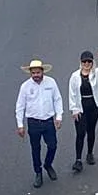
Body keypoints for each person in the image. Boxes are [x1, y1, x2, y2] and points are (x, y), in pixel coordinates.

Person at [14, 59, 63, 188]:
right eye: (33, 73)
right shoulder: (25, 86)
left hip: (48, 121)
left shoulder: (51, 83)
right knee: (35, 149)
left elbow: (57, 99)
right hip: (33, 122)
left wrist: (59, 116)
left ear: (42, 72)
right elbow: (20, 106)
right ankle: (38, 172)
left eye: (38, 72)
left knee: (52, 146)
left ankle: (48, 164)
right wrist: (20, 125)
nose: (36, 75)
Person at [69, 49, 98, 172]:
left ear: (92, 62)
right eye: (84, 61)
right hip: (81, 107)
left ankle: (90, 153)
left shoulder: (95, 72)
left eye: (89, 61)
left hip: (93, 105)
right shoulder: (75, 76)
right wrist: (74, 109)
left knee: (91, 130)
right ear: (80, 62)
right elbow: (72, 93)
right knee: (80, 133)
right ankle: (78, 160)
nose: (87, 64)